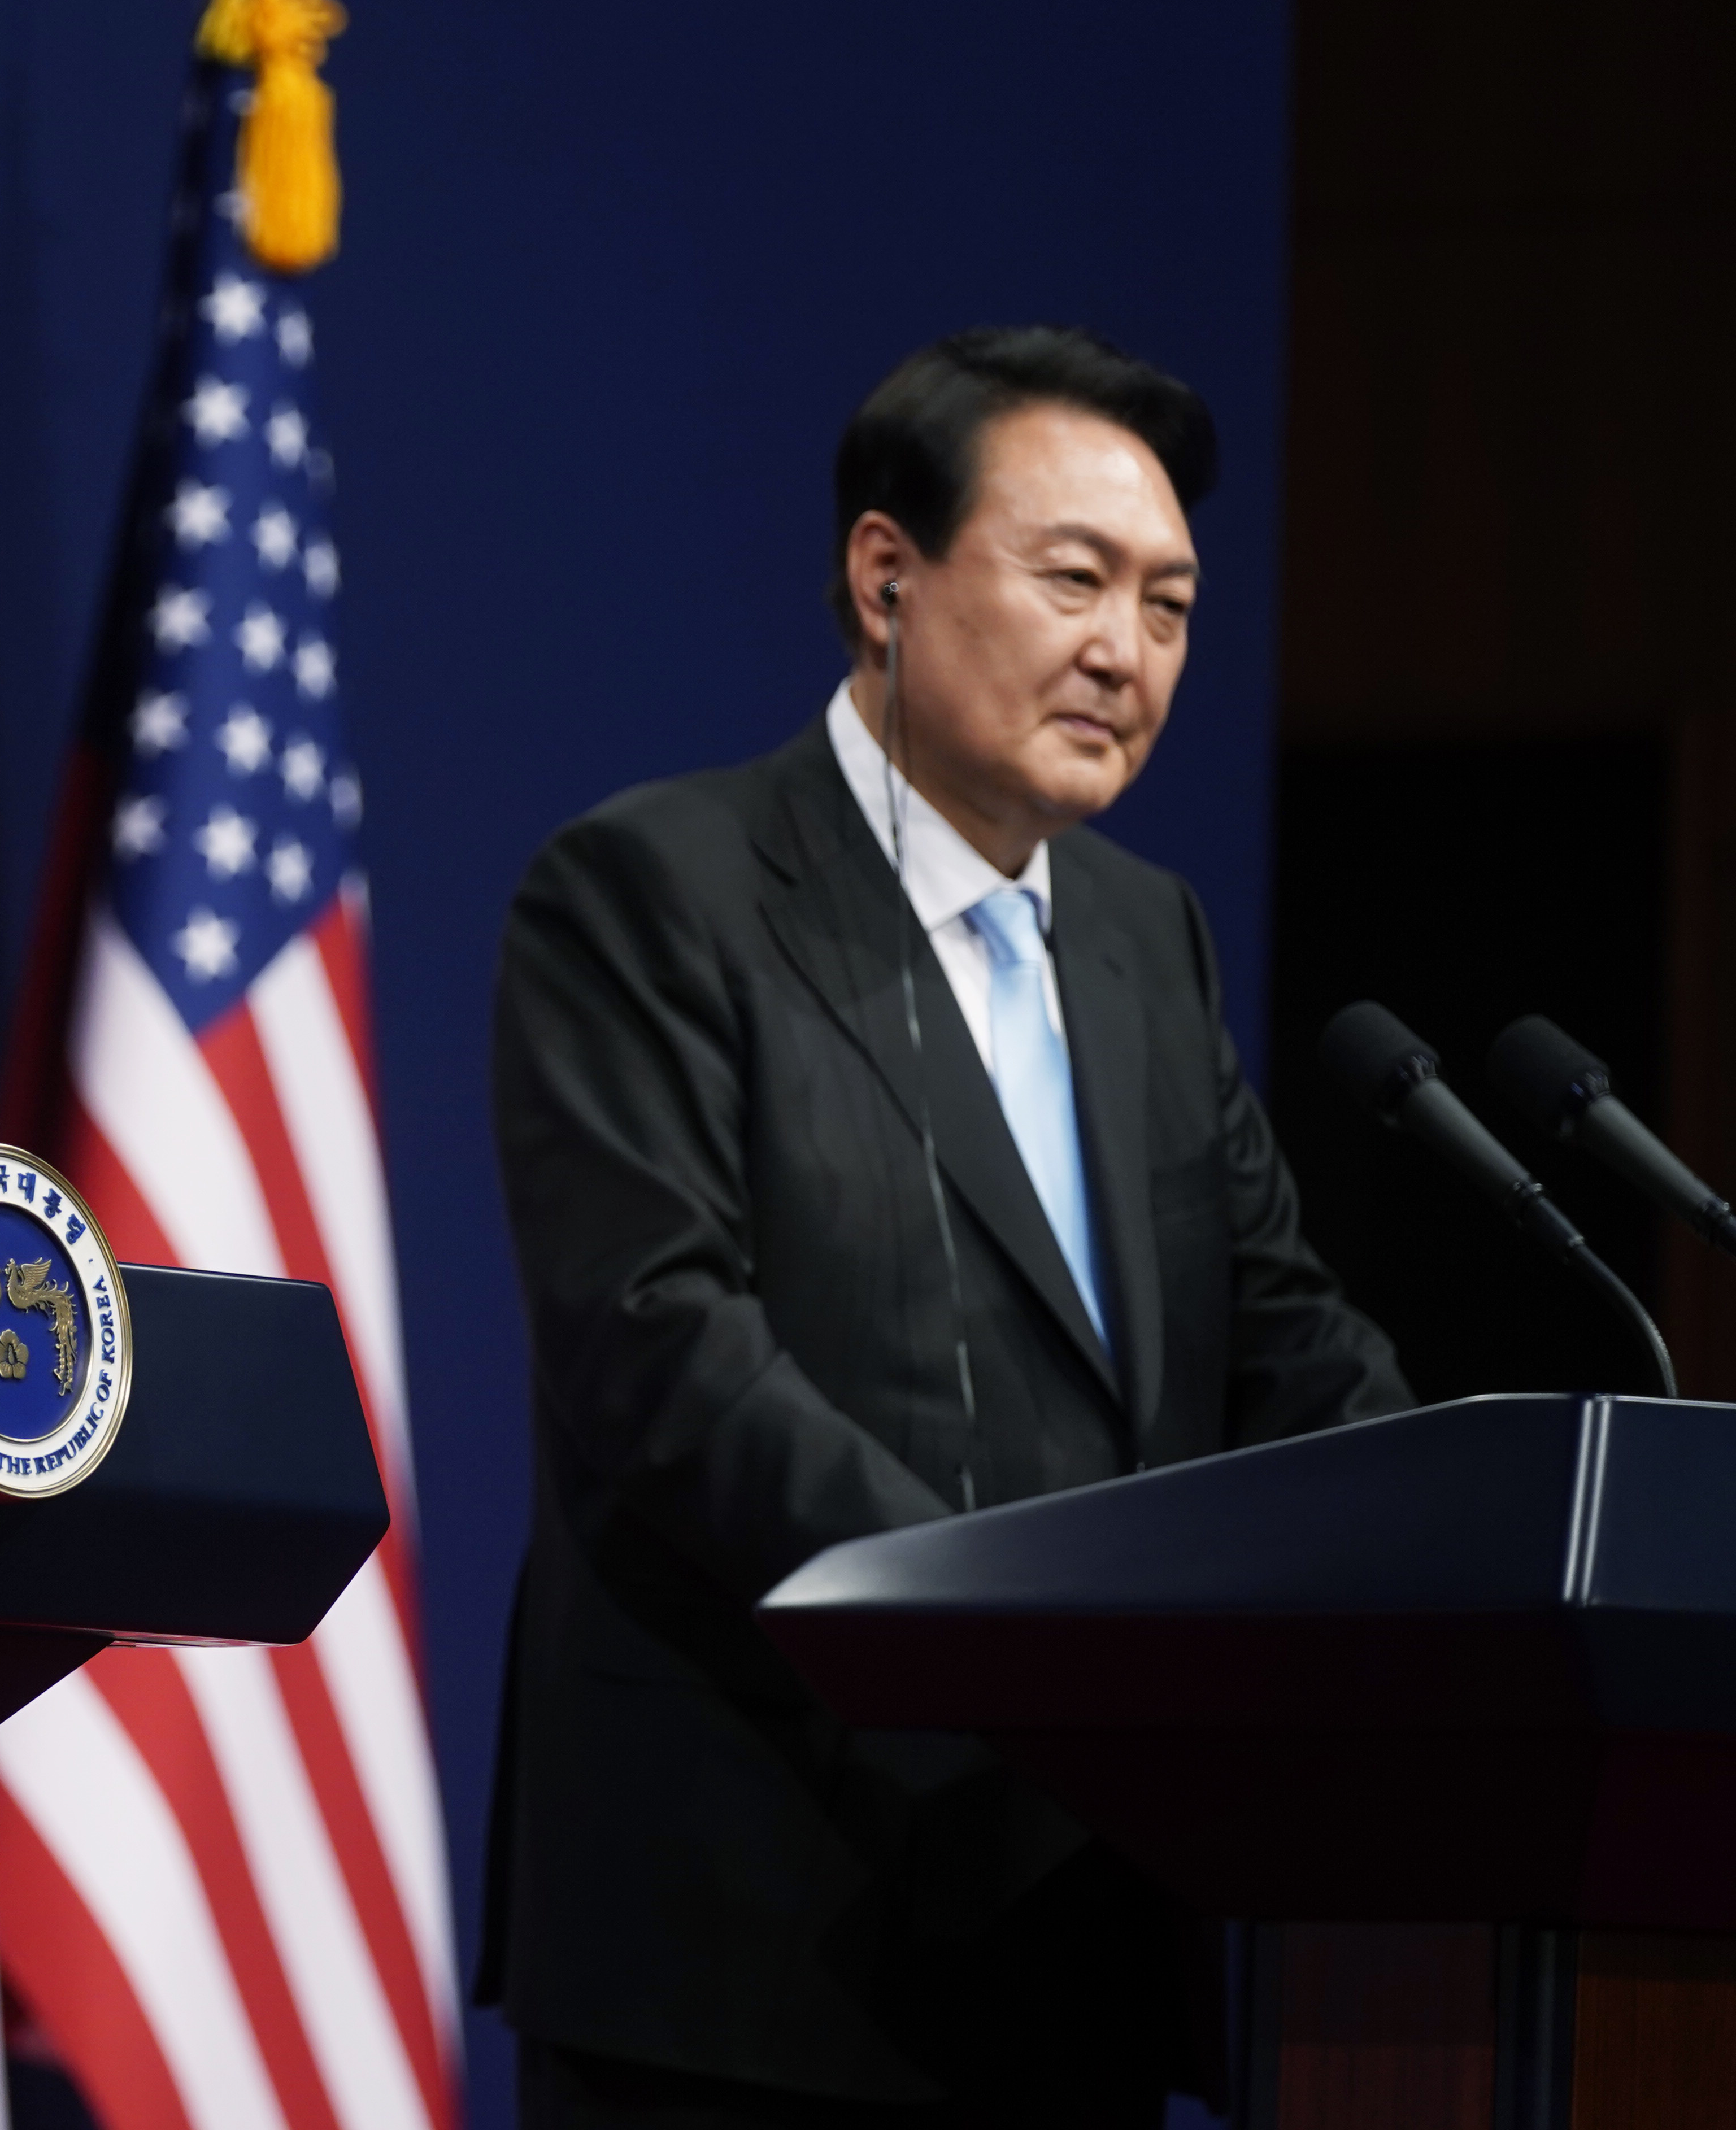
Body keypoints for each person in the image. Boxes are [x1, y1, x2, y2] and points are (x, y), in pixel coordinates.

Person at [476, 327, 1414, 2127]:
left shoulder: (1148, 943)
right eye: (1076, 579)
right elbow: (663, 1350)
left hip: (1078, 1945)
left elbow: (1291, 1344)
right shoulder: (651, 892)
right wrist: (1020, 1654)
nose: (1126, 651)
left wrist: (1464, 1555)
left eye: (1172, 606)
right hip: (746, 1940)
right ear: (887, 577)